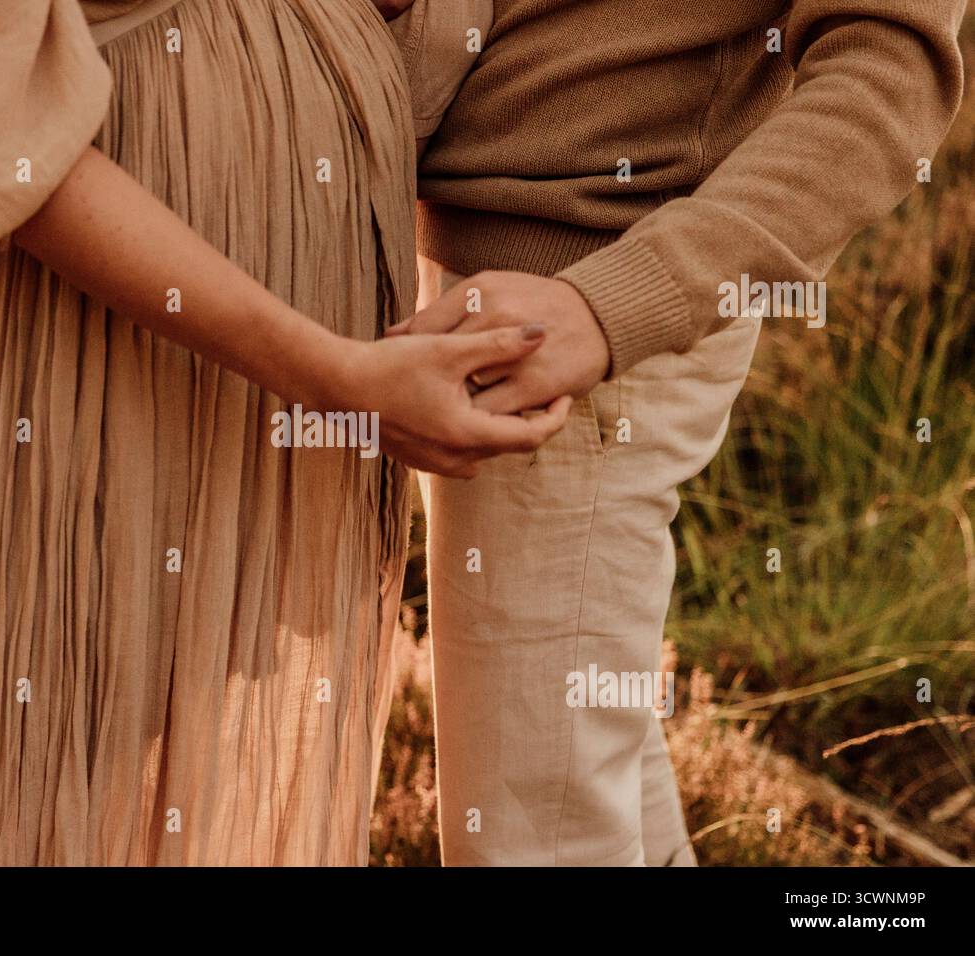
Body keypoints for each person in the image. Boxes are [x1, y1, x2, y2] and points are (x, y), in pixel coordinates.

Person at [0, 0, 572, 865]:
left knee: (183, 789)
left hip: (282, 384)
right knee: (27, 787)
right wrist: (335, 379)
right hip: (49, 343)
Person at [394, 0, 965, 865]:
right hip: (512, 282)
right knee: (576, 765)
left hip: (577, 312)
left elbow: (888, 71)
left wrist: (611, 303)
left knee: (537, 837)